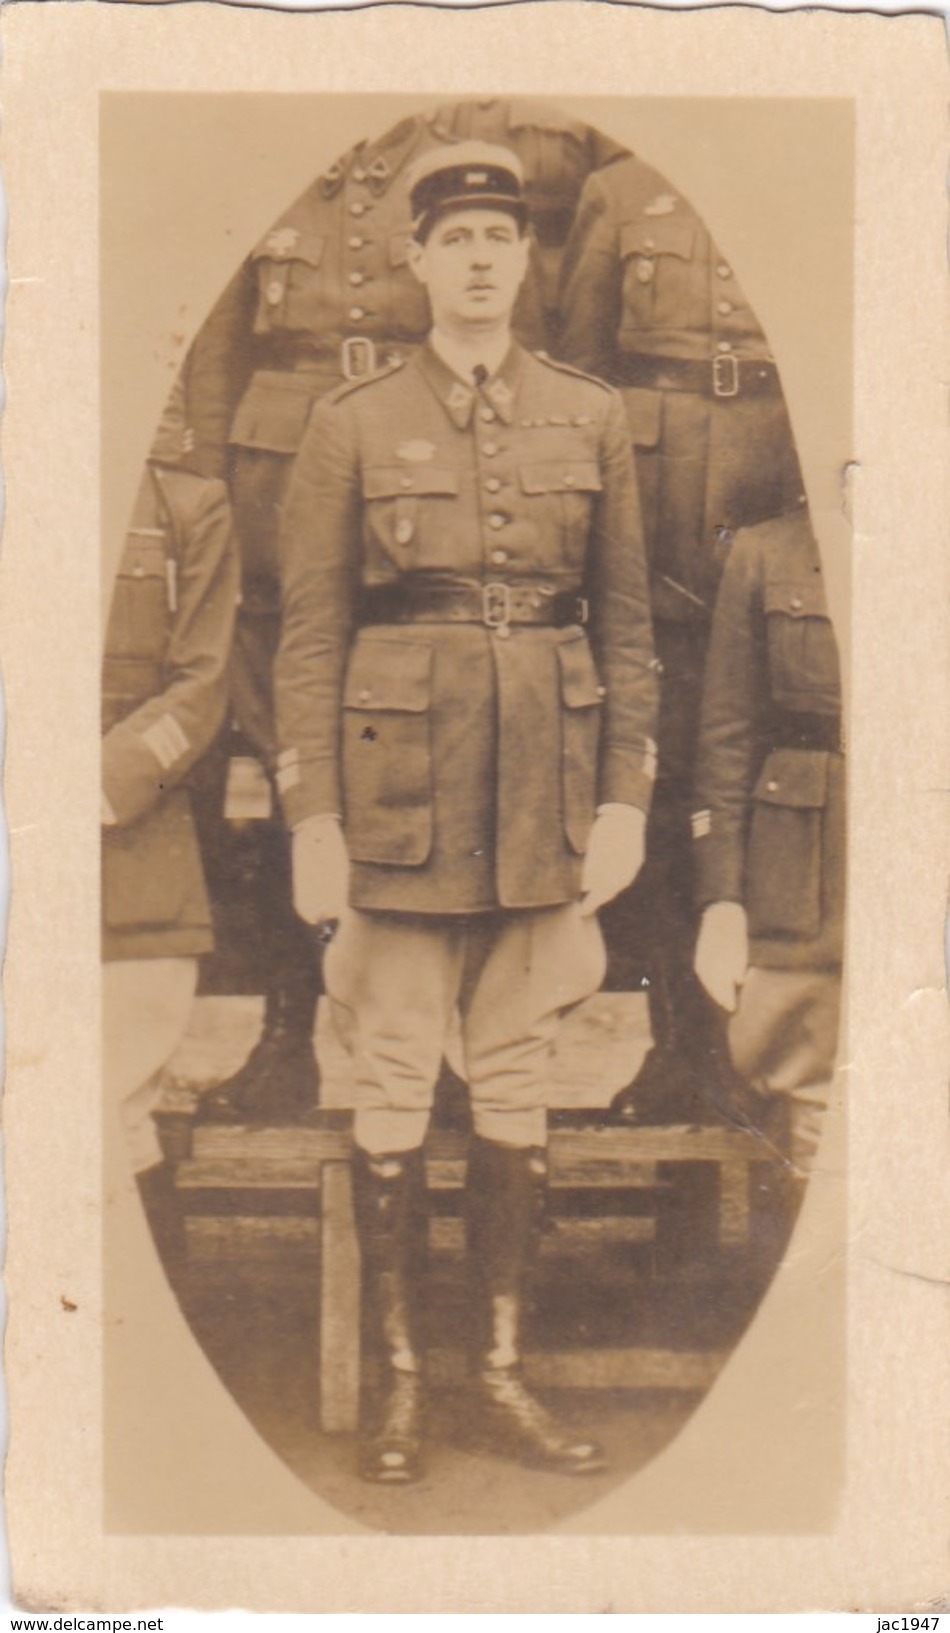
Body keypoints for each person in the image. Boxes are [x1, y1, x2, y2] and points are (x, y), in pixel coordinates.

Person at [273, 144, 658, 1483]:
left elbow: (626, 627)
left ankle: (496, 1378)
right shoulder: (353, 421)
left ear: (527, 260)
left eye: (505, 235)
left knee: (512, 1077)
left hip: (544, 795)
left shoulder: (586, 413)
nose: (485, 257)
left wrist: (622, 799)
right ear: (420, 263)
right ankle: (396, 1388)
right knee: (387, 1073)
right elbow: (309, 643)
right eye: (460, 240)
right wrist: (312, 818)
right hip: (394, 802)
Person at [186, 105, 551, 1124]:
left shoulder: (442, 178)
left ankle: (430, 1044)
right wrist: (214, 497)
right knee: (283, 755)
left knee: (413, 755)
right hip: (269, 490)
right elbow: (216, 355)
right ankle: (282, 1032)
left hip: (408, 470)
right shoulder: (266, 176)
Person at [557, 153, 808, 1125]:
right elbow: (578, 383)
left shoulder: (795, 176)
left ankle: (763, 1035)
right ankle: (679, 1042)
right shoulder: (617, 192)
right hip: (651, 517)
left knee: (758, 759)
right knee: (658, 780)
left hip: (767, 478)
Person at [102, 378, 238, 1212]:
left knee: (116, 1098)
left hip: (131, 832)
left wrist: (94, 782)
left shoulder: (185, 503)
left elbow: (203, 682)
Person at [691, 507, 845, 1181]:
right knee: (813, 1104)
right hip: (802, 870)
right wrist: (722, 898)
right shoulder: (766, 552)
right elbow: (727, 740)